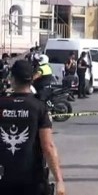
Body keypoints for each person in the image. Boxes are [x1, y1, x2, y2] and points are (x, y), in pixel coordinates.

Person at [0, 60, 65, 195]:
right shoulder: (38, 107)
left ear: (12, 79)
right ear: (31, 80)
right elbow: (48, 147)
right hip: (33, 181)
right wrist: (59, 180)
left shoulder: (2, 104)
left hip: (5, 179)